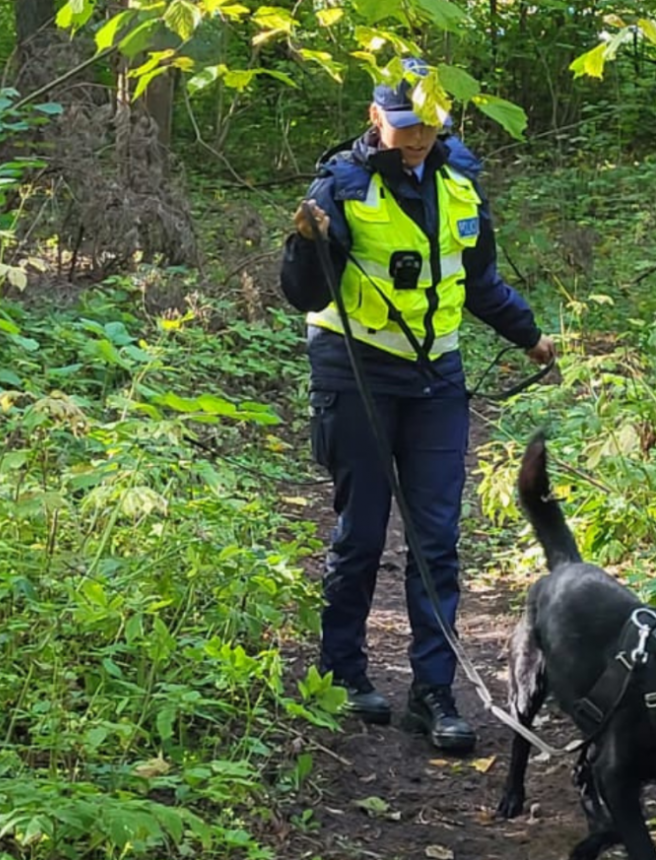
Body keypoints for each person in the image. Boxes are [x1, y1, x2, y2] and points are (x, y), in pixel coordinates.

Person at [279, 57, 554, 754]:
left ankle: (434, 692)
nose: (417, 136)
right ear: (377, 117)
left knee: (436, 540)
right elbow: (307, 294)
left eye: (428, 124)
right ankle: (342, 671)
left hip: (437, 378)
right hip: (355, 372)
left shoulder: (461, 182)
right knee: (362, 533)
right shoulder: (339, 184)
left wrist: (529, 336)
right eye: (404, 124)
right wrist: (304, 242)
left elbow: (478, 277)